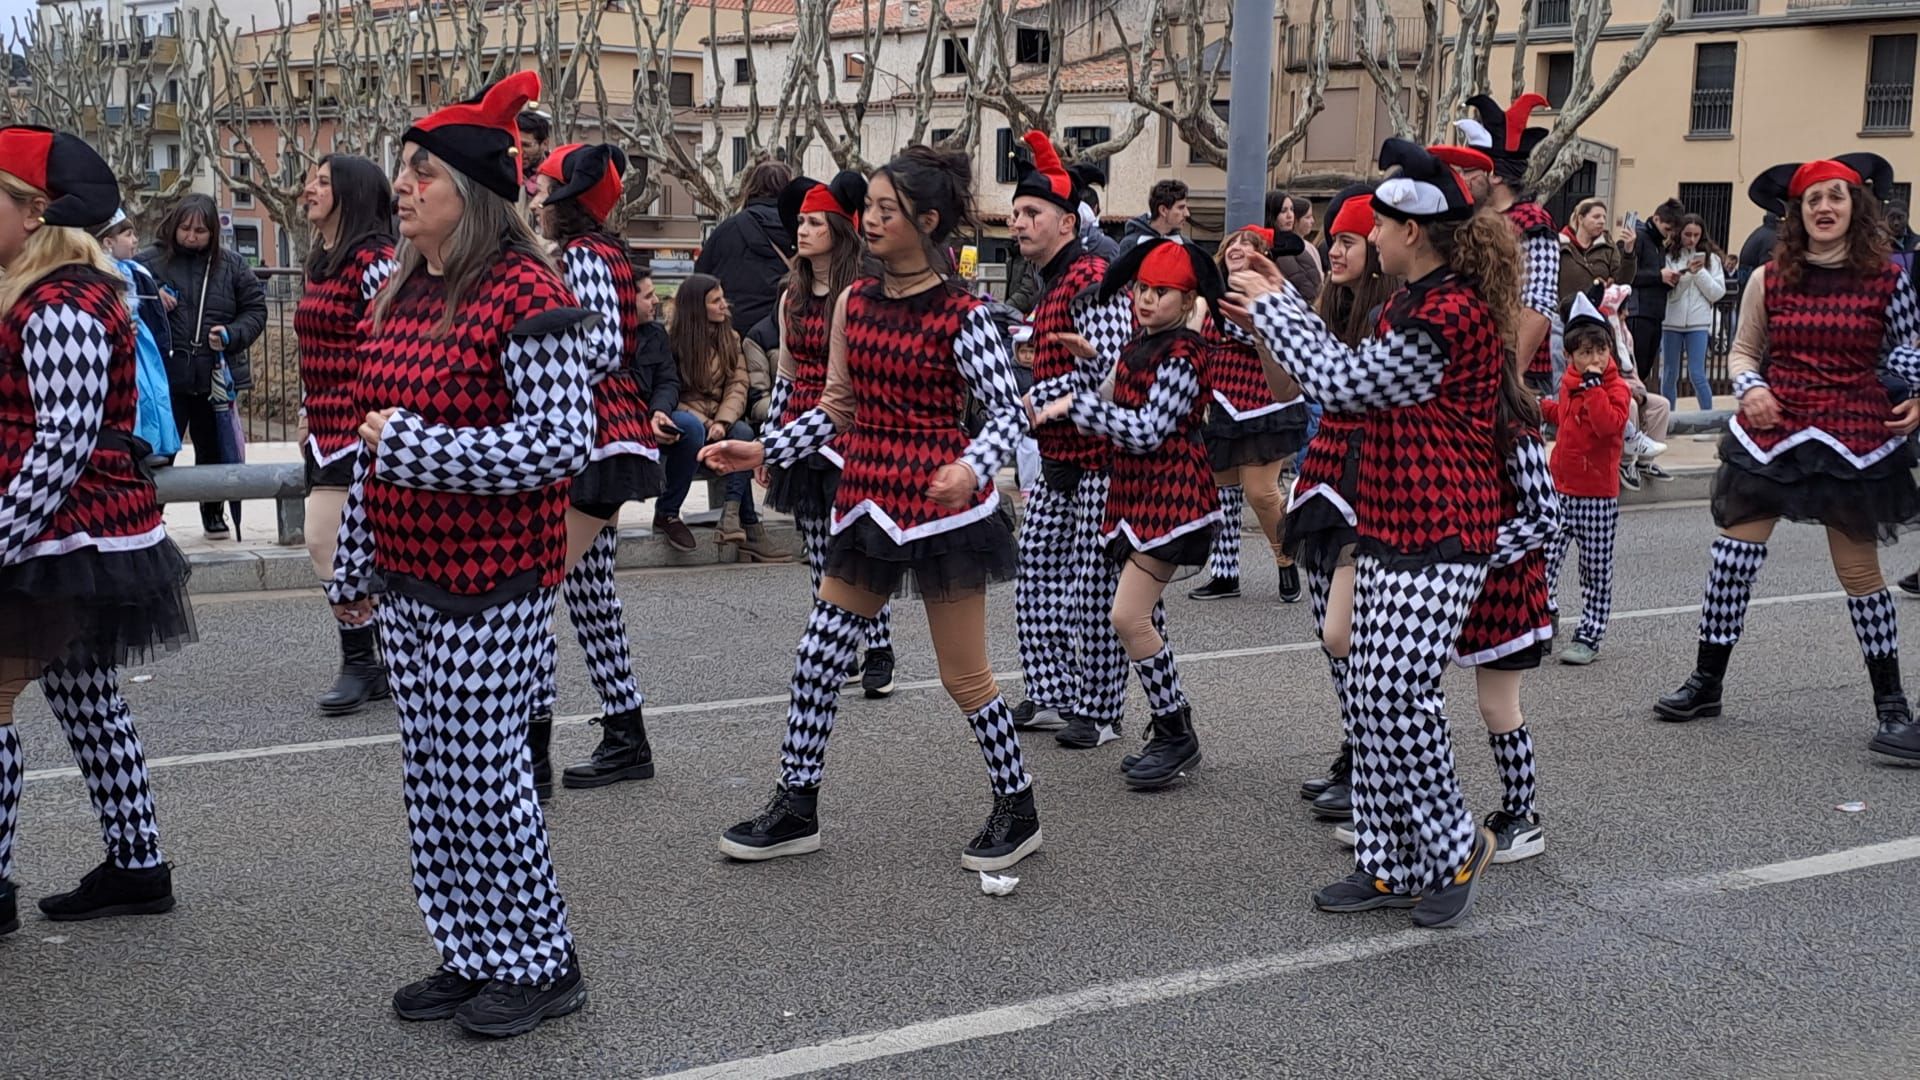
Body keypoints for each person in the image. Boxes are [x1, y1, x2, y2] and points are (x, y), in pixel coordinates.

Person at [327, 72, 594, 1035]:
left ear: (470, 193)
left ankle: (542, 959)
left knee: (485, 777)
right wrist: (354, 559)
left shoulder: (528, 292)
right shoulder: (401, 293)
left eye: (421, 172)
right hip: (407, 576)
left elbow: (558, 444)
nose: (402, 186)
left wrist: (412, 446)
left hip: (493, 582)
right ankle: (472, 951)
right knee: (434, 779)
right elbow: (370, 447)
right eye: (401, 169)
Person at [699, 144, 1041, 872]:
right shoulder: (854, 301)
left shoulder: (965, 315)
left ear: (929, 221)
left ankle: (1019, 803)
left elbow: (1009, 415)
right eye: (871, 208)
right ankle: (797, 805)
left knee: (965, 677)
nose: (871, 219)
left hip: (946, 513)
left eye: (888, 209)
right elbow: (838, 406)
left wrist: (971, 465)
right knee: (818, 657)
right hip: (866, 499)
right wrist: (765, 451)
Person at [1233, 138, 1518, 929]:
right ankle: (1390, 864)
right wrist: (1278, 301)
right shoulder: (1408, 302)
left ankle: (1456, 846)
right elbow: (1342, 375)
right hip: (1394, 520)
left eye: (1379, 223)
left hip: (1446, 526)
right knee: (1370, 694)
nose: (1364, 234)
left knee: (1396, 693)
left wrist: (1271, 304)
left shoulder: (1447, 313)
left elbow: (1343, 384)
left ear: (1412, 232)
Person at [1655, 153, 1920, 767]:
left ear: (1856, 208)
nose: (1824, 208)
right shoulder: (1769, 277)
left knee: (1858, 575)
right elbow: (1745, 350)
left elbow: (1909, 347)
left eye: (1835, 197)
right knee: (1732, 558)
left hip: (1855, 434)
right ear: (1797, 214)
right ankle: (1706, 684)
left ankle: (1890, 701)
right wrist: (1750, 388)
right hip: (1775, 429)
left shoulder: (1887, 278)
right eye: (1812, 200)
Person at [0, 125, 196, 936]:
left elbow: (64, 439)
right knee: (85, 695)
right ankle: (138, 862)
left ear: (35, 211)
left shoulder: (63, 301)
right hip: (66, 527)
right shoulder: (50, 293)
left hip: (62, 530)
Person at [1032, 236, 1223, 788]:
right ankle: (1172, 729)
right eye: (1142, 288)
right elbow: (1113, 396)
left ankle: (1176, 732)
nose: (1145, 299)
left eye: (1161, 293)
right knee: (1137, 617)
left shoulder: (1185, 355)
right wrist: (1080, 377)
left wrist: (1080, 407)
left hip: (1172, 498)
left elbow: (1144, 432)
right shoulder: (1140, 345)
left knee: (1127, 616)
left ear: (1187, 303)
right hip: (1139, 497)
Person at [527, 142, 668, 797]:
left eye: (543, 188)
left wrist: (531, 371)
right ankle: (625, 731)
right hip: (610, 438)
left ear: (568, 200)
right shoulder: (604, 252)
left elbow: (606, 345)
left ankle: (532, 748)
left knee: (530, 591)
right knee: (589, 597)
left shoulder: (583, 256)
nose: (533, 196)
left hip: (597, 441)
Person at [1003, 132, 1134, 749]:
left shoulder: (1092, 277)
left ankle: (1102, 709)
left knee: (1091, 589)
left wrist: (1065, 383)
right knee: (1034, 570)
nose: (1018, 222)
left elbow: (1115, 375)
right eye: (1017, 212)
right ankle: (1054, 692)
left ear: (1064, 221)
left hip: (1102, 461)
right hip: (1058, 455)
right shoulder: (1053, 278)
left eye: (1031, 214)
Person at [762, 170, 899, 699]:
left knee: (861, 541)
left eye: (815, 222)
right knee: (818, 546)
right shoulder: (790, 297)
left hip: (850, 425)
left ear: (838, 231)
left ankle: (880, 645)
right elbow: (786, 374)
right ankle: (838, 642)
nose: (802, 230)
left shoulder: (862, 293)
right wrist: (772, 440)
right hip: (802, 428)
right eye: (800, 221)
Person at [1290, 183, 1402, 825]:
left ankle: (1368, 759)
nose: (1334, 250)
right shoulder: (1327, 305)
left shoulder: (1390, 320)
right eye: (1332, 238)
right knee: (1329, 634)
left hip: (1369, 482)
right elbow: (1290, 387)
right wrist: (1264, 334)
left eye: (1349, 240)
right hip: (1323, 476)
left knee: (1349, 636)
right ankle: (1355, 745)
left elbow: (1348, 388)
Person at [292, 154, 397, 718]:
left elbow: (389, 345)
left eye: (322, 181)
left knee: (323, 540)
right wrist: (309, 408)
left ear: (351, 195)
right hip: (326, 427)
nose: (308, 188)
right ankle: (369, 658)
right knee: (341, 546)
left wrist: (380, 418)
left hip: (364, 426)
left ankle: (364, 659)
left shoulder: (377, 262)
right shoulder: (321, 261)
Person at [1187, 225, 1309, 604]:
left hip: (1266, 404)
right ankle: (1225, 573)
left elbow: (1276, 336)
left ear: (1262, 255)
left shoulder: (1268, 293)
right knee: (1223, 494)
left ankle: (1285, 557)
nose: (1238, 248)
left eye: (1248, 244)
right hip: (1222, 403)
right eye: (1233, 243)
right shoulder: (1210, 292)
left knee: (1260, 492)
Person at [140, 193, 268, 539]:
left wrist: (230, 334)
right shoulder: (148, 263)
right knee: (158, 450)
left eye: (200, 230)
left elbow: (256, 311)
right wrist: (151, 296)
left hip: (213, 376)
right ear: (173, 227)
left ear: (213, 232)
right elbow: (122, 295)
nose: (192, 236)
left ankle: (214, 512)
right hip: (164, 377)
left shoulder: (232, 265)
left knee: (214, 450)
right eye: (185, 229)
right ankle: (150, 515)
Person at [660, 273, 786, 561]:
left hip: (721, 418)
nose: (724, 305)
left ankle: (731, 519)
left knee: (742, 433)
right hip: (688, 418)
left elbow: (738, 384)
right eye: (715, 301)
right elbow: (670, 390)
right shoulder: (672, 341)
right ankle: (749, 527)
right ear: (697, 306)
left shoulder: (731, 337)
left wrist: (722, 421)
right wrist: (707, 424)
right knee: (693, 428)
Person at [1542, 295, 1631, 667]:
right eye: (1585, 353)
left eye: (1600, 351)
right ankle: (1543, 618)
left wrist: (1593, 388)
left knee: (1594, 569)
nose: (1594, 359)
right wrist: (1538, 407)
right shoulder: (1568, 384)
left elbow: (1608, 425)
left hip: (1596, 495)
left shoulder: (1615, 390)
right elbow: (1565, 416)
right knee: (1543, 560)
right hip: (1561, 488)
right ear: (1571, 355)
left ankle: (1590, 633)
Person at [1459, 94, 1561, 396]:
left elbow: (1538, 303)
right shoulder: (1474, 220)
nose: (1463, 178)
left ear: (1495, 175)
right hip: (1478, 365)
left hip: (1516, 373)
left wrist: (1513, 374)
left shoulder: (1532, 221)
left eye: (1469, 170)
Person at [94, 210, 177, 466]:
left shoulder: (135, 270)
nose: (135, 240)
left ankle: (153, 443)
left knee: (154, 392)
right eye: (128, 234)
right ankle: (134, 443)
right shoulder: (101, 272)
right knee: (134, 392)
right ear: (108, 242)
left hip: (141, 341)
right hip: (124, 340)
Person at [695, 160, 794, 335]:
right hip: (782, 330)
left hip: (731, 333)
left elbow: (700, 280)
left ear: (750, 187)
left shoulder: (725, 231)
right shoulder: (800, 233)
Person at [1662, 213, 1729, 410]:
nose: (1691, 239)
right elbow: (1670, 294)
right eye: (1687, 234)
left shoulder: (1713, 260)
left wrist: (1699, 273)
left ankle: (1708, 419)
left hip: (1698, 322)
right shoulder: (1669, 257)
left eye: (1696, 235)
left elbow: (1717, 293)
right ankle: (1668, 419)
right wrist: (1686, 276)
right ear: (1679, 234)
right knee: (1669, 373)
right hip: (1671, 322)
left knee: (1697, 373)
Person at [1626, 197, 1686, 392]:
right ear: (1657, 219)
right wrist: (1659, 276)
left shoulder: (1659, 244)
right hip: (1639, 311)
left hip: (1655, 312)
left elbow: (1653, 278)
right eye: (1667, 229)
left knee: (1644, 368)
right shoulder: (1640, 238)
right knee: (1636, 367)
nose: (1669, 235)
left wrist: (1669, 280)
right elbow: (1629, 275)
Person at [1558, 197, 1623, 310]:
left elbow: (1622, 280)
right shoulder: (1560, 245)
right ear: (1581, 219)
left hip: (1598, 315)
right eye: (1596, 217)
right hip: (1563, 315)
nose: (1602, 221)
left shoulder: (1608, 247)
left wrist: (1629, 251)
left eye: (1604, 217)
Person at [1265, 191, 1322, 300]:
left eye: (1291, 209)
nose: (1290, 215)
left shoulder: (1298, 246)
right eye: (1283, 211)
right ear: (1272, 214)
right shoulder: (1270, 250)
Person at [1120, 178, 1189, 252]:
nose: (1187, 214)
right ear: (1163, 210)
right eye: (1181, 208)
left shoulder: (1186, 245)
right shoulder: (1131, 244)